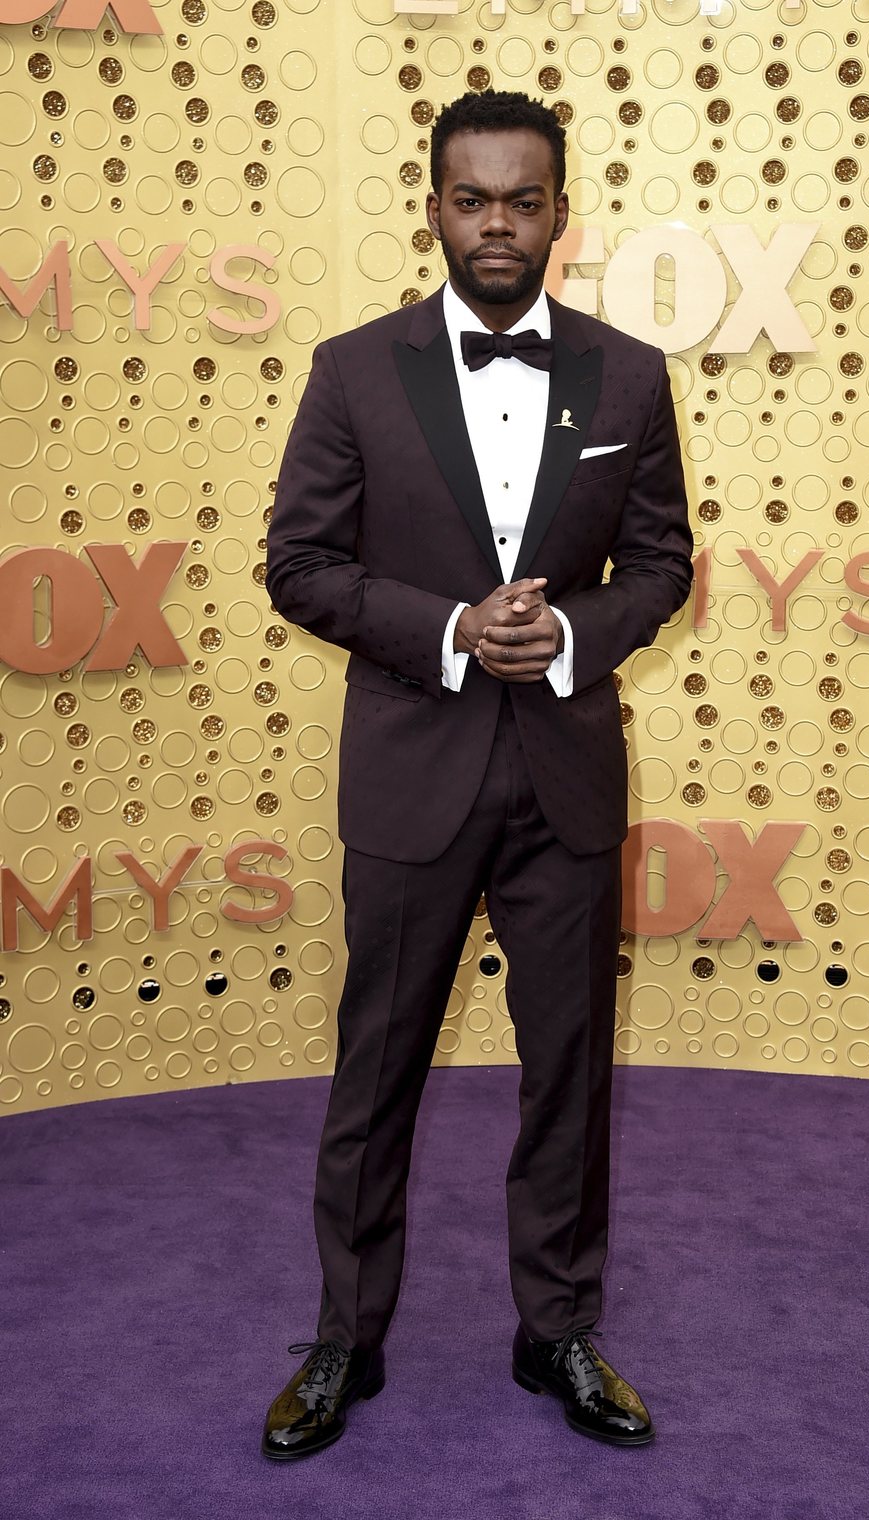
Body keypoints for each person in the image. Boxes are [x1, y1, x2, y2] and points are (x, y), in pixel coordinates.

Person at [260, 89, 693, 1459]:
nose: (496, 223)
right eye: (471, 198)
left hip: (564, 772)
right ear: (434, 204)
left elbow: (666, 565)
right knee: (373, 1070)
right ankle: (345, 1337)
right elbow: (301, 565)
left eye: (522, 199)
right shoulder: (352, 369)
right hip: (410, 770)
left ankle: (556, 1327)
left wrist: (570, 631)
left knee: (568, 1070)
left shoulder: (629, 376)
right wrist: (451, 631)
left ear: (562, 213)